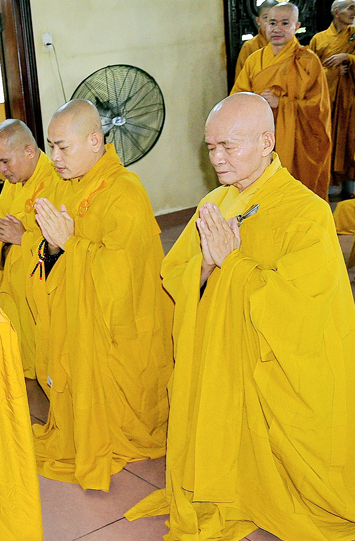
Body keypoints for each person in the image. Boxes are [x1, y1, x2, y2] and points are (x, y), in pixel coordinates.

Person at [126, 93, 355, 540]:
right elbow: (176, 273)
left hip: (268, 365)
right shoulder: (215, 202)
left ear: (266, 142)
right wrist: (208, 266)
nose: (217, 158)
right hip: (220, 359)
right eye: (211, 147)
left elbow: (304, 308)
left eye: (229, 146)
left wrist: (234, 265)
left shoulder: (307, 213)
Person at [25, 100, 173, 491]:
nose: (54, 157)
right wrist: (54, 247)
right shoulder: (66, 185)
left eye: (62, 147)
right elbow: (53, 253)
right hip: (78, 320)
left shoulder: (125, 192)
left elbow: (123, 278)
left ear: (94, 141)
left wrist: (70, 243)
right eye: (50, 146)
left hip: (118, 331)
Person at [0, 119, 66, 378]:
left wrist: (22, 238)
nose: (1, 170)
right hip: (14, 281)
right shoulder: (16, 180)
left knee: (45, 350)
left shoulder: (55, 180)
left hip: (38, 285)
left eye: (5, 161)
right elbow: (0, 213)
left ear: (29, 151)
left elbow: (62, 242)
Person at [232, 2, 332, 200]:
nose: (277, 29)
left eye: (285, 23)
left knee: (296, 197)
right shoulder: (254, 60)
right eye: (272, 23)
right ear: (264, 25)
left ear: (296, 26)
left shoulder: (308, 61)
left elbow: (319, 109)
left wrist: (282, 104)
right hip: (260, 140)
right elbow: (238, 99)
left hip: (298, 143)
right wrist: (256, 103)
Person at [309, 0, 355, 199]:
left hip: (350, 100)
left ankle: (350, 186)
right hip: (326, 100)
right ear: (337, 12)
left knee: (350, 142)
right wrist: (332, 73)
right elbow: (310, 70)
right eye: (350, 9)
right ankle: (326, 186)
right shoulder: (319, 39)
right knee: (326, 141)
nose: (354, 13)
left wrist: (348, 58)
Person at [235, 0, 279, 79]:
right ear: (258, 21)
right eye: (266, 18)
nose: (271, 23)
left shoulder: (290, 44)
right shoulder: (249, 46)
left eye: (276, 18)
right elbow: (241, 80)